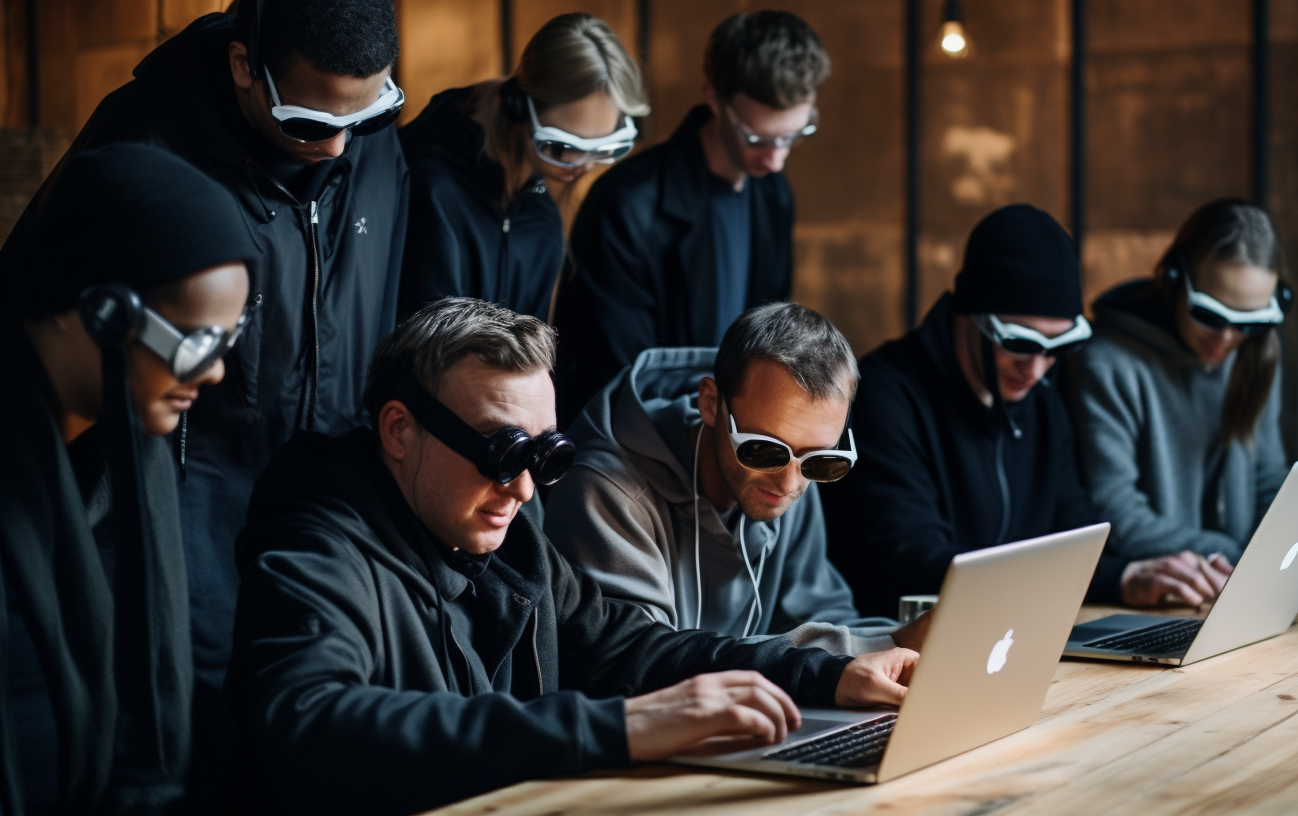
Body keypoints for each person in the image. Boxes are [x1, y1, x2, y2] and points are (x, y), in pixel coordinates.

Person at [226, 298, 916, 816]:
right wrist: (621, 725)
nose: (524, 488)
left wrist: (828, 676)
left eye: (544, 457)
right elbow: (311, 726)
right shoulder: (318, 545)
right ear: (401, 430)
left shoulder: (510, 537)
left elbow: (633, 649)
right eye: (501, 453)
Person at [0, 0, 411, 800]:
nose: (337, 145)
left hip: (307, 548)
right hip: (170, 549)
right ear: (242, 69)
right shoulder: (143, 155)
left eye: (367, 115)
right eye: (306, 119)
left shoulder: (368, 138)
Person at [821, 204, 1238, 620]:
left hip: (1012, 637)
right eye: (1019, 344)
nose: (1036, 369)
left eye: (1057, 348)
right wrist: (1118, 578)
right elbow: (916, 566)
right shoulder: (885, 395)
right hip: (902, 650)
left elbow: (1075, 528)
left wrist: (1138, 574)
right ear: (970, 316)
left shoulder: (1040, 398)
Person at [1, 145, 254, 815]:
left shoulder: (123, 467)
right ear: (92, 311)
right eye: (197, 343)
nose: (217, 373)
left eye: (230, 341)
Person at [546, 302, 930, 656]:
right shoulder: (607, 491)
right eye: (764, 451)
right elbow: (646, 664)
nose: (789, 484)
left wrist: (911, 638)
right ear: (710, 403)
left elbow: (826, 620)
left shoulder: (794, 469)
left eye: (821, 461)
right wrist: (881, 645)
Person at [1065, 198, 1298, 599]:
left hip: (1233, 589)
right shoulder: (1107, 362)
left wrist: (1297, 548)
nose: (1227, 338)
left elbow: (1267, 479)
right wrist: (1251, 560)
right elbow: (1116, 510)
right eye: (1211, 315)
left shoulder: (1252, 355)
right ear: (1172, 278)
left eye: (1250, 322)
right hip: (1163, 594)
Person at [553, 10, 830, 426]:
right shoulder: (626, 205)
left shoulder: (773, 194)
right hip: (633, 450)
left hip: (730, 441)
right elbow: (623, 380)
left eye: (793, 136)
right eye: (757, 138)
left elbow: (767, 340)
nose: (776, 159)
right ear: (713, 96)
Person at [398, 13, 648, 324]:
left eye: (598, 150)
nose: (580, 167)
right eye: (562, 147)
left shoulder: (540, 216)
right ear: (519, 107)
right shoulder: (432, 187)